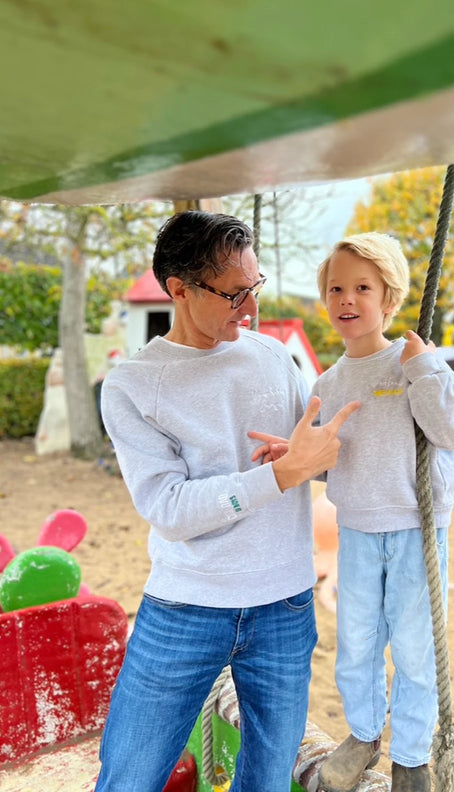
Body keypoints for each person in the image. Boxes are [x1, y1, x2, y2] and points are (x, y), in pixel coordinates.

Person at [94, 210, 360, 792]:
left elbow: (311, 456)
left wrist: (312, 455)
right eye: (235, 293)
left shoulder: (272, 356)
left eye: (254, 286)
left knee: (267, 782)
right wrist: (281, 476)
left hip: (286, 605)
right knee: (129, 777)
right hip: (185, 606)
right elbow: (169, 509)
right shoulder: (132, 385)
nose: (250, 305)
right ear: (179, 290)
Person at [251, 233, 454, 792]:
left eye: (361, 287)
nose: (346, 298)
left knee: (417, 647)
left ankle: (413, 757)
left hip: (415, 530)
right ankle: (365, 733)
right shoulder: (328, 382)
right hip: (356, 530)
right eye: (335, 288)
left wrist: (425, 368)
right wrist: (295, 454)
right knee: (356, 641)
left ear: (390, 298)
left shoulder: (415, 363)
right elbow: (332, 462)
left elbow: (453, 430)